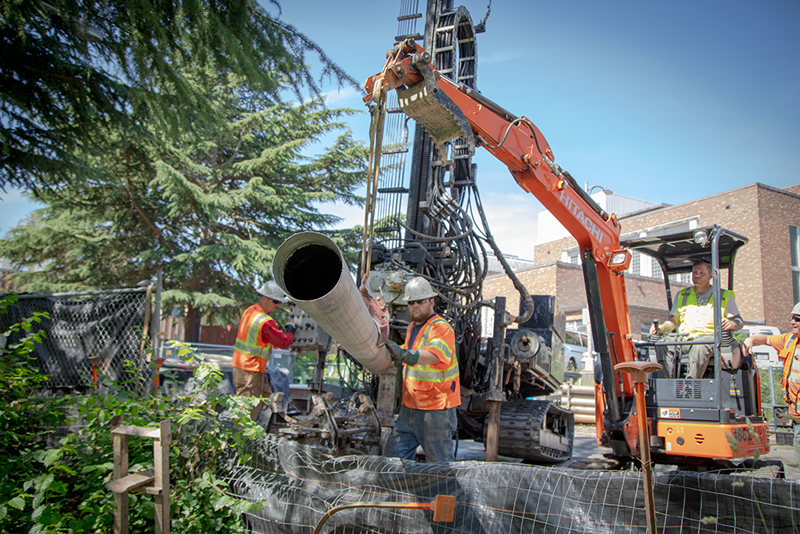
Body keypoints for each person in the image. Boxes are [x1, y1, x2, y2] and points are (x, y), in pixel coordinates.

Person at [383, 277, 460, 463]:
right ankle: (399, 492)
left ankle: (447, 493)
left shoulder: (441, 328)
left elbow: (432, 355)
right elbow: (411, 356)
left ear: (431, 302)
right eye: (411, 302)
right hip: (411, 407)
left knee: (440, 467)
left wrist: (403, 354)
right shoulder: (412, 328)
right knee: (393, 459)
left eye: (420, 301)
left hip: (436, 410)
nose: (415, 306)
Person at [649, 260, 743, 378]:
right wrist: (662, 327)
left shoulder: (724, 295)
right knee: (663, 344)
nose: (697, 275)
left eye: (701, 272)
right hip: (685, 339)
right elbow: (673, 321)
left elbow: (739, 321)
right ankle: (666, 384)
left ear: (710, 276)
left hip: (710, 340)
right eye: (694, 272)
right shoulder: (682, 295)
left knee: (699, 346)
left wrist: (732, 323)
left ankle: (691, 386)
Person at [743, 302, 800, 464]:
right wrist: (751, 339)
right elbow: (767, 339)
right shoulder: (790, 340)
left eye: (797, 318)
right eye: (792, 318)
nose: (792, 322)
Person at [232, 281, 295, 420]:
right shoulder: (265, 321)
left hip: (246, 368)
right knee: (248, 410)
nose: (277, 306)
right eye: (275, 301)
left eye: (280, 302)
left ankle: (260, 434)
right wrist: (290, 333)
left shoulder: (250, 311)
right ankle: (244, 438)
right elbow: (282, 342)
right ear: (264, 297)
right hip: (250, 370)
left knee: (266, 399)